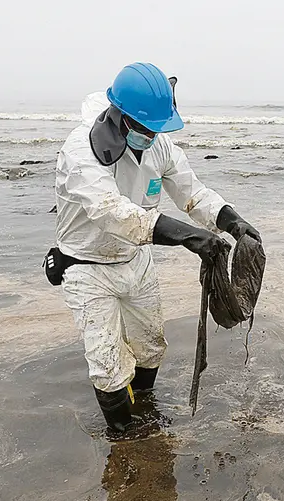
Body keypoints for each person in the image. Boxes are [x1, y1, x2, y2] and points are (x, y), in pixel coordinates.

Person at [53, 62, 261, 432]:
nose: (152, 134)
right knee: (108, 362)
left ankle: (144, 410)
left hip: (137, 261)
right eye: (146, 127)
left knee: (151, 346)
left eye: (158, 127)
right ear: (120, 117)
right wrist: (189, 238)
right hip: (88, 266)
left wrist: (231, 221)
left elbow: (192, 192)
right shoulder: (80, 153)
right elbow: (113, 213)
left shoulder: (158, 146)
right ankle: (124, 437)